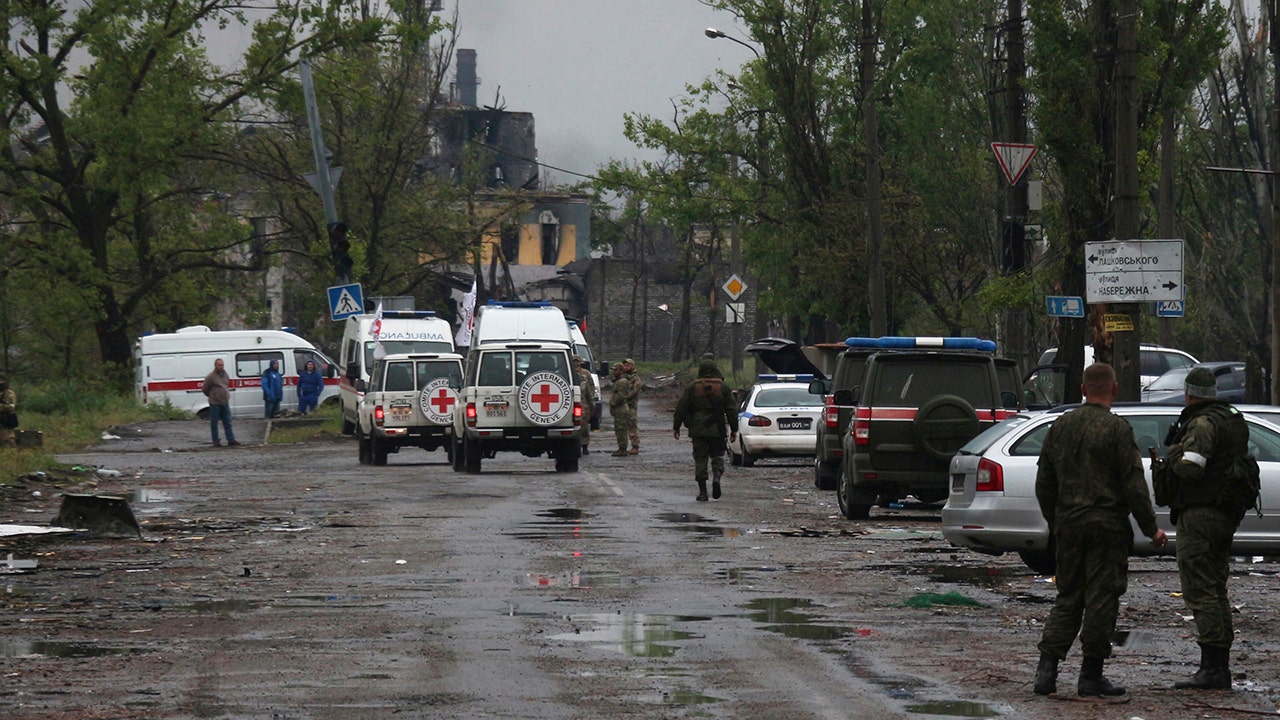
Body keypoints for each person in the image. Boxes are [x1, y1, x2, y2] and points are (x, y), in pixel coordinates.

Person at [1033, 363, 1167, 697]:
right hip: (1107, 527)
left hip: (1070, 525)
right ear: (1114, 389)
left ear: (1082, 389)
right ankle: (1091, 675)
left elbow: (1044, 482)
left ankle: (1046, 670)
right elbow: (1134, 486)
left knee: (1069, 595)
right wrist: (1152, 529)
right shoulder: (1117, 430)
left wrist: (1056, 519)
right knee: (1101, 598)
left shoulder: (1060, 427)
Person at [1160, 365, 1250, 690]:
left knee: (1200, 590)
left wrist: (1169, 462)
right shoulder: (1231, 418)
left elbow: (1193, 468)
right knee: (1216, 587)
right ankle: (1218, 665)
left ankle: (1212, 668)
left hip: (1201, 513)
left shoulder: (1201, 423)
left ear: (1189, 394)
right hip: (1225, 513)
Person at [673, 359, 738, 501]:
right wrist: (734, 429)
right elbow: (732, 410)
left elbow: (682, 407)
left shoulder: (693, 387)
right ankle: (717, 477)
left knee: (700, 459)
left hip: (698, 429)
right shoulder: (723, 387)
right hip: (717, 428)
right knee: (717, 456)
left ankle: (703, 492)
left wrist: (676, 426)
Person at [202, 358, 240, 447]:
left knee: (228, 422)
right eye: (219, 365)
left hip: (225, 402)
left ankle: (231, 439)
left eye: (222, 365)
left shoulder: (225, 375)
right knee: (214, 423)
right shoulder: (211, 376)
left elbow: (226, 385)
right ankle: (216, 441)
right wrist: (213, 396)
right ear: (215, 365)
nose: (221, 366)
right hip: (215, 403)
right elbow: (205, 389)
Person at [572, 355, 596, 456]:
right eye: (574, 361)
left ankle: (584, 445)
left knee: (584, 426)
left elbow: (591, 388)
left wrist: (592, 404)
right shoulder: (568, 372)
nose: (576, 363)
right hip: (571, 402)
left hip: (583, 403)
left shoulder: (586, 374)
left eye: (577, 361)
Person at [608, 362, 632, 457]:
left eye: (616, 370)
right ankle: (621, 447)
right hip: (618, 409)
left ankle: (623, 448)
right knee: (618, 429)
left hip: (621, 408)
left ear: (621, 371)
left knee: (621, 429)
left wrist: (613, 403)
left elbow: (621, 395)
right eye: (613, 370)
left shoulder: (622, 381)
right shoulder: (618, 381)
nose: (614, 372)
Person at [619, 358, 641, 454]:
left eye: (628, 365)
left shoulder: (636, 378)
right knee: (622, 426)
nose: (626, 367)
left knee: (632, 426)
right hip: (622, 405)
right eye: (624, 365)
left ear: (632, 366)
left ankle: (635, 445)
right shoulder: (622, 377)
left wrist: (624, 396)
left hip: (631, 405)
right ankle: (622, 446)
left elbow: (634, 390)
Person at [0, 374, 17, 448]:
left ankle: (13, 454)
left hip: (6, 420)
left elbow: (11, 407)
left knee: (8, 439)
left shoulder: (9, 394)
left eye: (1, 380)